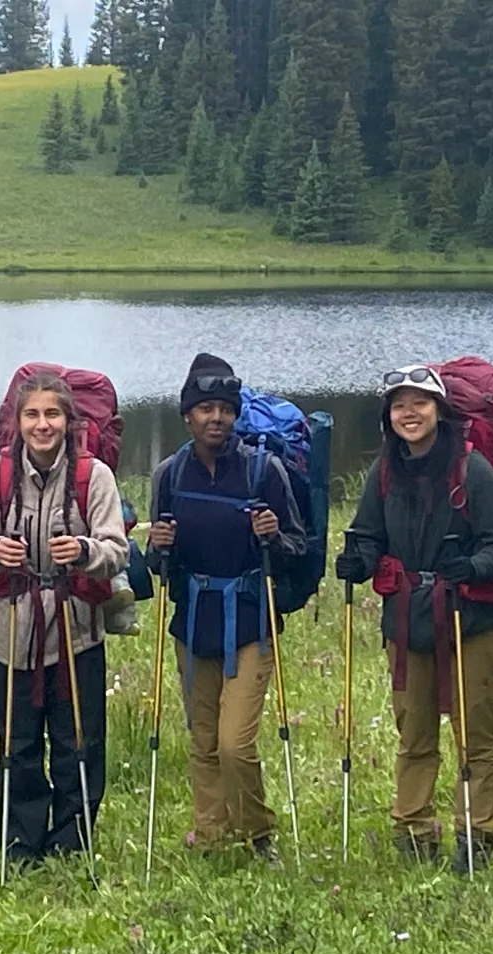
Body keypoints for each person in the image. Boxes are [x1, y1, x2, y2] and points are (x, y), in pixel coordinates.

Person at [333, 364, 493, 872]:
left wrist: (470, 568)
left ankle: (476, 837)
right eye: (398, 405)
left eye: (420, 403)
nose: (409, 413)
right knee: (413, 731)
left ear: (440, 410)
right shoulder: (385, 472)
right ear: (388, 417)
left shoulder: (472, 470)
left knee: (473, 731)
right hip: (407, 619)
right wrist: (358, 560)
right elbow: (367, 533)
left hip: (469, 617)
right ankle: (413, 830)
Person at [0, 371, 130, 864]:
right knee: (18, 739)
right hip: (12, 631)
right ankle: (22, 843)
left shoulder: (94, 476)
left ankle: (72, 842)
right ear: (17, 422)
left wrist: (83, 550)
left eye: (52, 414)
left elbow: (117, 550)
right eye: (32, 415)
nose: (42, 425)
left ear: (69, 420)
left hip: (77, 631)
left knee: (78, 740)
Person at [147, 352, 307, 864]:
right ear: (187, 415)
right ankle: (213, 835)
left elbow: (297, 549)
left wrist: (274, 535)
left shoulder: (265, 470)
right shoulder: (169, 475)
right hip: (193, 624)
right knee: (202, 740)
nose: (216, 418)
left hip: (250, 624)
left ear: (237, 415)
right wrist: (159, 548)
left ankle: (259, 835)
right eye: (205, 409)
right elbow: (159, 565)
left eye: (225, 409)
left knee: (235, 744)